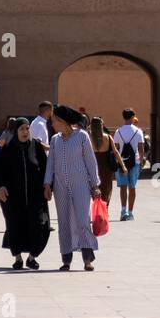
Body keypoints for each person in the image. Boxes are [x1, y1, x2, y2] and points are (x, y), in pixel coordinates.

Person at [42, 104, 101, 271]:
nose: (52, 124)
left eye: (54, 121)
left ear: (62, 121)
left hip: (81, 185)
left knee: (82, 220)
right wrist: (48, 183)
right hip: (60, 186)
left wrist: (95, 185)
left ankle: (87, 258)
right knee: (64, 222)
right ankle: (66, 259)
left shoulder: (82, 137)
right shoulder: (55, 140)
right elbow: (51, 163)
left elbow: (91, 161)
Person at [0, 117, 51, 270]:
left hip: (36, 196)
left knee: (40, 225)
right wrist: (1, 187)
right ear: (16, 131)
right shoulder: (9, 148)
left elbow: (46, 168)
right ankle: (18, 258)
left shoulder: (36, 147)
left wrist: (48, 186)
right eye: (22, 129)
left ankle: (32, 257)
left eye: (27, 129)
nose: (25, 132)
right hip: (13, 198)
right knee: (14, 226)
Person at [113, 109, 145, 221]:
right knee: (132, 187)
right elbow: (141, 149)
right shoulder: (138, 131)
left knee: (123, 187)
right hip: (134, 162)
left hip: (122, 163)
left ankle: (123, 211)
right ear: (133, 117)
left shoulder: (118, 131)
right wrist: (141, 162)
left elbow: (116, 149)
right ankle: (131, 212)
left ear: (123, 117)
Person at [90, 116, 123, 205]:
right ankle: (105, 210)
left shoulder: (88, 138)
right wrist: (123, 166)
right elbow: (116, 152)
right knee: (106, 190)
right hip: (106, 169)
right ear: (102, 125)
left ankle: (97, 211)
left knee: (94, 190)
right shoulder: (108, 137)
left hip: (93, 168)